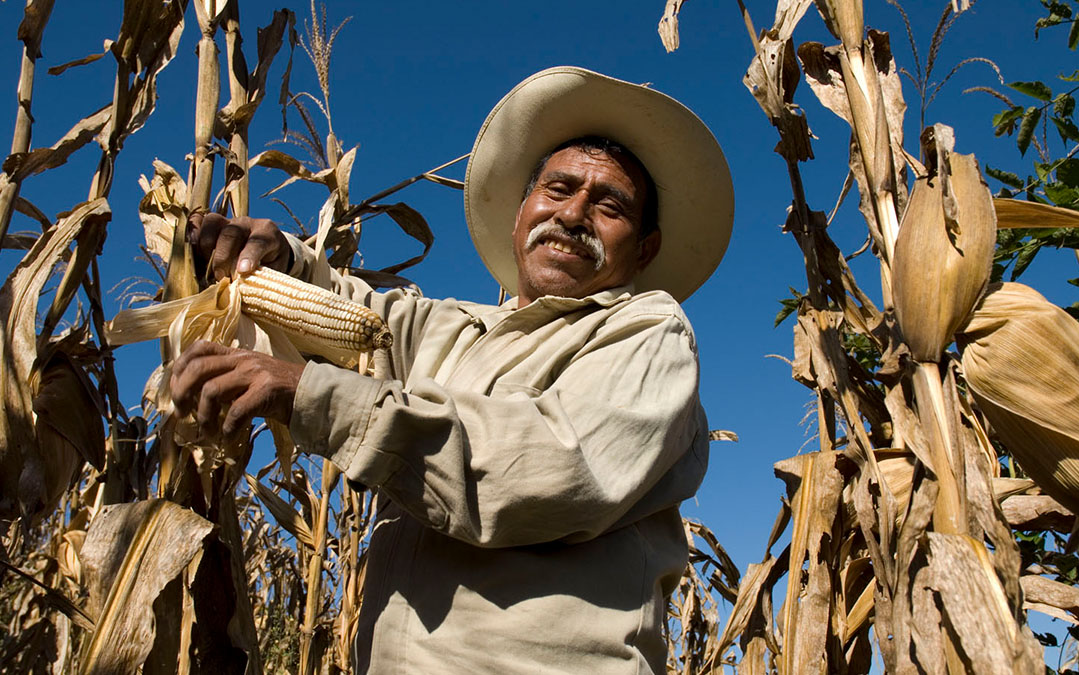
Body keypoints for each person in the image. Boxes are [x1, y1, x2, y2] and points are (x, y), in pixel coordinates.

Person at [171, 66, 734, 674]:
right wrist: (280, 262)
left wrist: (309, 395)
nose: (573, 215)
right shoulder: (454, 329)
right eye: (558, 189)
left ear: (644, 249)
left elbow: (549, 464)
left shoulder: (648, 332)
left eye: (609, 206)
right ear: (521, 214)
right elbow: (354, 315)